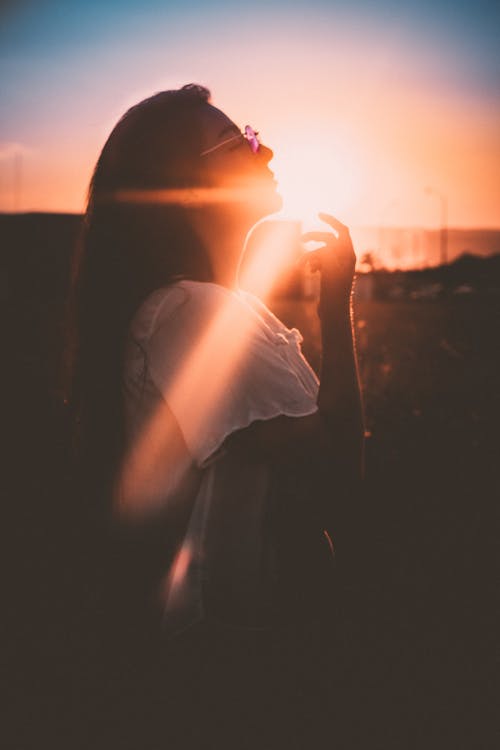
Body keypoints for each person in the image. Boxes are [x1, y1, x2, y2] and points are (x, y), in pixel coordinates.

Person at [66, 83, 364, 749]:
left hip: (250, 648)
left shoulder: (217, 308)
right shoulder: (191, 313)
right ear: (191, 186)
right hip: (229, 673)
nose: (269, 149)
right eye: (244, 142)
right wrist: (336, 311)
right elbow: (341, 471)